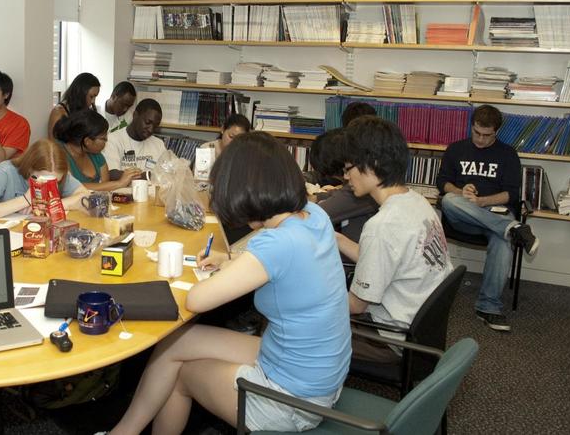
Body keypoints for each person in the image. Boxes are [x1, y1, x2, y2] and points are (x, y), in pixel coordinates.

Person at [103, 132, 351, 435]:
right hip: (315, 371)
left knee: (181, 374)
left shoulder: (279, 243)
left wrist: (226, 266)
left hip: (293, 399)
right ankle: (123, 432)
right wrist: (230, 261)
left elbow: (195, 300)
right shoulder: (313, 215)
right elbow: (273, 260)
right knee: (175, 341)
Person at [335, 116, 451, 364]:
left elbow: (355, 306)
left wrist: (307, 299)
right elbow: (383, 259)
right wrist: (335, 238)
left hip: (392, 339)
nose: (346, 177)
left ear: (372, 163)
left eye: (348, 168)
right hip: (421, 327)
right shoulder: (416, 202)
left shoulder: (382, 225)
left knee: (288, 323)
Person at [436, 104, 538, 333]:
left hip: (495, 213)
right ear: (471, 127)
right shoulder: (455, 149)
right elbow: (442, 183)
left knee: (502, 240)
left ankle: (488, 306)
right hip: (464, 217)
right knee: (450, 201)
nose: (480, 140)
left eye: (486, 135)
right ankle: (513, 228)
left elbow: (511, 193)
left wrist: (483, 201)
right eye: (476, 133)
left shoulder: (508, 154)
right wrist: (461, 192)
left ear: (496, 132)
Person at [309, 128, 378, 266]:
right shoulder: (361, 187)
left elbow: (314, 215)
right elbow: (339, 195)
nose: (346, 176)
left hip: (347, 265)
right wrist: (319, 196)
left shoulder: (359, 193)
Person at [0, 139, 88, 218]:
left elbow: (86, 196)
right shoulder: (5, 171)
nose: (50, 186)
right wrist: (26, 200)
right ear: (29, 168)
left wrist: (51, 206)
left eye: (56, 182)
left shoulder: (55, 171)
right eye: (44, 181)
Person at [53, 110, 142, 191]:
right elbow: (70, 188)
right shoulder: (59, 153)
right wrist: (119, 183)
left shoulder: (96, 155)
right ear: (87, 141)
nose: (107, 140)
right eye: (103, 138)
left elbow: (105, 188)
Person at [102, 98, 165, 180]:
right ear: (135, 115)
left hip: (151, 192)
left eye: (155, 126)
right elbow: (112, 174)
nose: (151, 129)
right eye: (147, 122)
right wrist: (146, 176)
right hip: (122, 192)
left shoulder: (158, 144)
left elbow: (166, 174)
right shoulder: (113, 139)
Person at [47, 72, 101, 137]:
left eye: (95, 97)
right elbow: (53, 143)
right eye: (91, 96)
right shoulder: (58, 112)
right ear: (80, 93)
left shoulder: (87, 111)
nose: (93, 101)